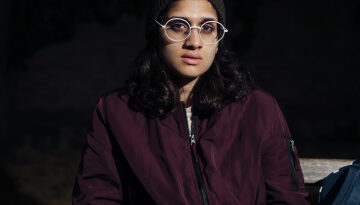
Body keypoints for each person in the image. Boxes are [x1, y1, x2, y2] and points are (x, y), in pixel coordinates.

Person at [72, 0, 310, 204]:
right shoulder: (117, 110)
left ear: (218, 41)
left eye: (207, 28)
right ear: (156, 34)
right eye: (178, 26)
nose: (194, 42)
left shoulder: (258, 108)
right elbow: (97, 196)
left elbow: (287, 197)